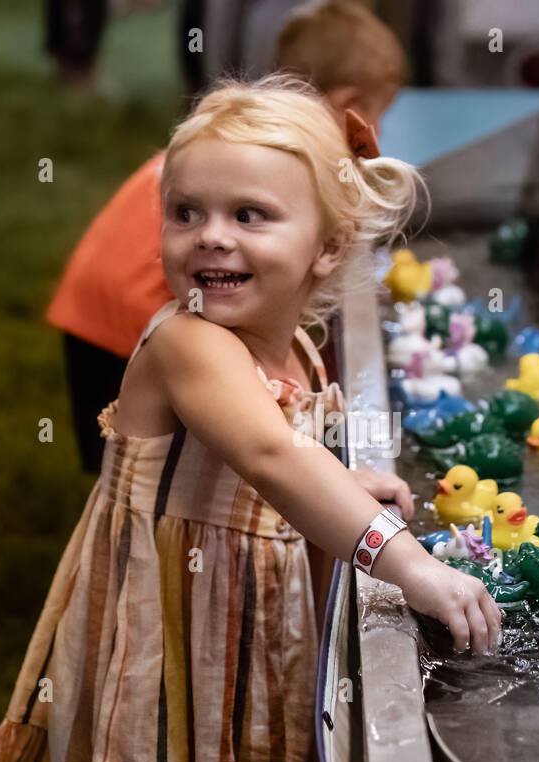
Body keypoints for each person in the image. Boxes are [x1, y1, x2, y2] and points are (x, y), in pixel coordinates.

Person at [0, 75, 501, 762]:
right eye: (185, 213)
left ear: (326, 245)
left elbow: (268, 463)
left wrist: (337, 484)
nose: (210, 237)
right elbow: (269, 454)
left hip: (245, 617)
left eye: (247, 215)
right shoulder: (190, 344)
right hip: (179, 632)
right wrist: (412, 565)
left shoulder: (286, 346)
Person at [48, 0, 407, 474]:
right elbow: (266, 454)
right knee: (137, 463)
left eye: (247, 216)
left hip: (106, 293)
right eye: (378, 115)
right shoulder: (266, 168)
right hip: (116, 314)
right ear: (348, 104)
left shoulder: (253, 149)